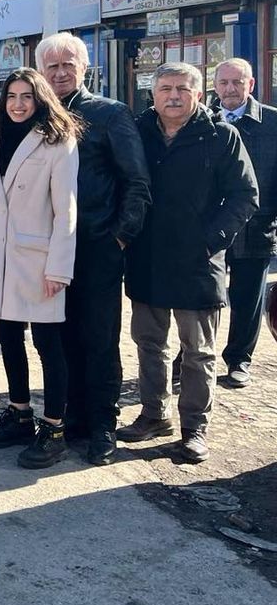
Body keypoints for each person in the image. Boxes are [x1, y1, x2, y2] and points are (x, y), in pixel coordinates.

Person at [118, 63, 257, 464]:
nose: (174, 96)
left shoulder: (220, 136)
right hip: (147, 257)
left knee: (198, 351)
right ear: (153, 94)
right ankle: (153, 415)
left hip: (198, 262)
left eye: (182, 88)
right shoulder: (138, 131)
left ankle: (194, 428)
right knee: (149, 344)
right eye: (165, 88)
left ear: (198, 94)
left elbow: (245, 196)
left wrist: (210, 240)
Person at [36, 31, 151, 465]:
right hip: (46, 250)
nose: (60, 73)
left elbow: (136, 182)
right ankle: (71, 417)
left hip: (97, 246)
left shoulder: (110, 114)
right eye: (52, 66)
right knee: (58, 339)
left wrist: (119, 237)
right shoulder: (34, 114)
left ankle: (103, 423)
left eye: (68, 65)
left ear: (85, 68)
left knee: (99, 338)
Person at [0, 68, 80, 469]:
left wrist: (59, 268)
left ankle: (54, 428)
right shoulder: (0, 137)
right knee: (9, 337)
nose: (18, 104)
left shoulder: (58, 140)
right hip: (1, 257)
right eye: (11, 96)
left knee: (48, 344)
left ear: (40, 100)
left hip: (38, 260)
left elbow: (66, 210)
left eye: (26, 97)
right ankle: (19, 413)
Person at [213, 57, 277, 389]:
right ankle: (190, 357)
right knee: (202, 297)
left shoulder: (273, 123)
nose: (230, 89)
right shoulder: (203, 121)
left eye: (237, 82)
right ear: (214, 86)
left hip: (256, 226)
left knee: (248, 297)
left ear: (251, 84)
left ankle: (239, 359)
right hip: (209, 228)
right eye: (224, 83)